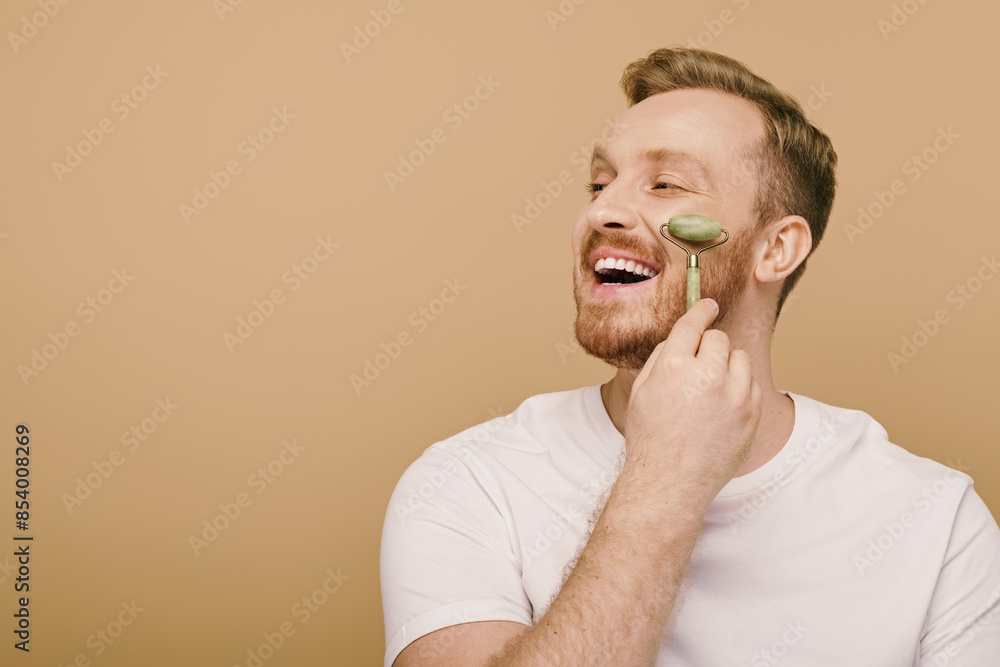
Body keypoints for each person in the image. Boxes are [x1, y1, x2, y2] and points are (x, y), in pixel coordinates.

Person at [379, 47, 1000, 666]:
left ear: (776, 249)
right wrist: (668, 475)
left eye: (665, 185)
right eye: (599, 183)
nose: (601, 210)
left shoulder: (935, 522)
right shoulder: (468, 482)